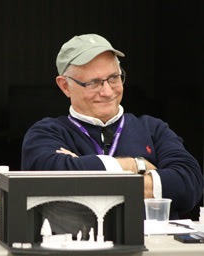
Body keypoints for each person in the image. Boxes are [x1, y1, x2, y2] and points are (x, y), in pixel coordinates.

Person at [21, 33, 203, 236]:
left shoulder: (153, 129)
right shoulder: (46, 133)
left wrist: (84, 171)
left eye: (114, 78)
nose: (107, 91)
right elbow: (50, 179)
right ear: (65, 86)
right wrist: (138, 166)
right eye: (93, 82)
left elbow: (189, 184)